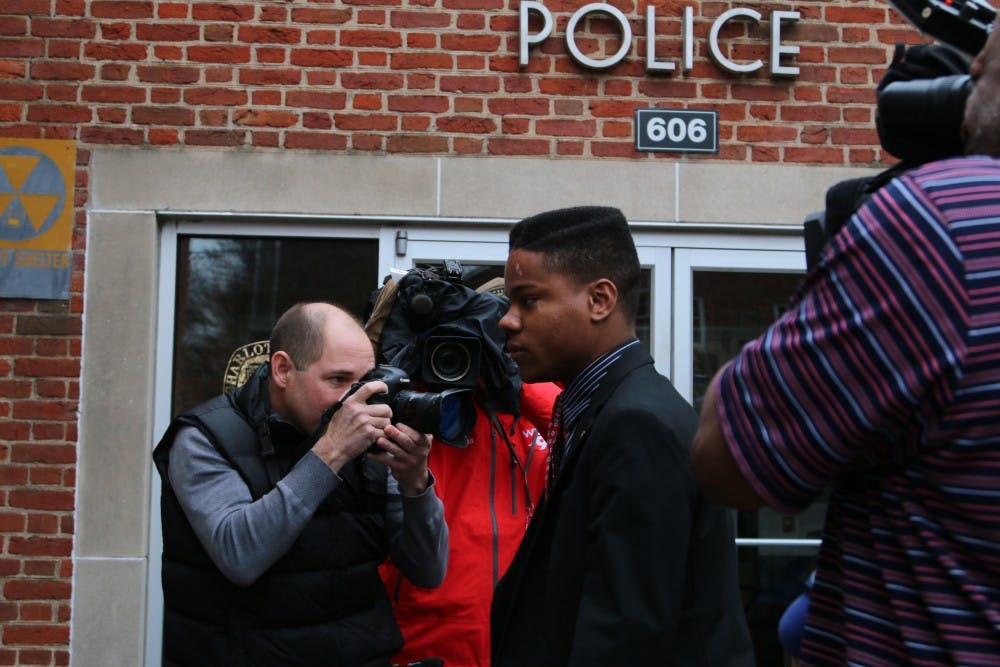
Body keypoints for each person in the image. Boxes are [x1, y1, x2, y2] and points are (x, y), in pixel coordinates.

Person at [690, 18, 1000, 666]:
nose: (965, 84)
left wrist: (831, 294)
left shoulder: (941, 221)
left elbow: (727, 458)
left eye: (981, 69)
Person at [489, 206, 754, 666]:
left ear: (599, 300)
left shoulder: (636, 425)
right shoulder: (605, 409)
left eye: (528, 300)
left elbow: (626, 634)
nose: (507, 321)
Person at [153, 302, 448, 667]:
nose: (353, 400)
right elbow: (240, 555)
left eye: (362, 382)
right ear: (282, 370)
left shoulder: (367, 440)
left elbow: (428, 570)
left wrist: (415, 483)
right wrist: (331, 452)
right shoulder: (205, 438)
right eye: (337, 380)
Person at [370, 273, 560, 667]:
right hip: (423, 642)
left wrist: (510, 378)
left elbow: (581, 425)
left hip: (515, 639)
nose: (495, 343)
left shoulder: (530, 412)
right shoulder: (419, 405)